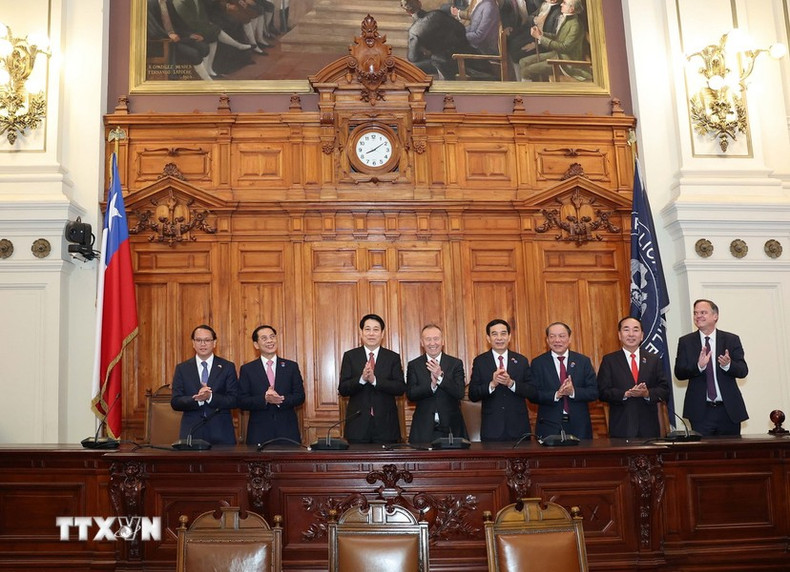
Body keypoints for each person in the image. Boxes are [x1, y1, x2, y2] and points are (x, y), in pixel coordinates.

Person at [674, 299, 749, 436]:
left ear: (715, 316)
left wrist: (728, 365)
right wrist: (698, 366)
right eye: (695, 313)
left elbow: (743, 370)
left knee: (731, 454)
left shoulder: (731, 340)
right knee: (704, 455)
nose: (698, 316)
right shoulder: (686, 341)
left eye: (703, 312)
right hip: (700, 412)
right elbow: (679, 373)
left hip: (728, 410)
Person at [338, 314, 406, 444]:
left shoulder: (392, 357)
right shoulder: (350, 356)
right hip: (357, 427)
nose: (371, 334)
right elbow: (343, 389)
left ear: (382, 333)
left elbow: (400, 388)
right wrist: (362, 379)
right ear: (361, 332)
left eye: (376, 330)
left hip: (386, 427)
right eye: (367, 329)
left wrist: (375, 381)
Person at [598, 317, 670, 439]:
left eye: (635, 330)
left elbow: (664, 390)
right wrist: (625, 394)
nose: (631, 334)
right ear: (619, 335)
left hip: (649, 427)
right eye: (626, 330)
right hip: (622, 427)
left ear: (642, 335)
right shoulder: (609, 360)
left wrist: (647, 393)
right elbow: (602, 392)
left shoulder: (653, 360)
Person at [468, 319, 536, 441]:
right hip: (491, 429)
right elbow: (473, 394)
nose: (499, 338)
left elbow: (532, 392)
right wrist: (492, 384)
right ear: (488, 338)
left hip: (519, 428)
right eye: (494, 334)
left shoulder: (521, 361)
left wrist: (511, 383)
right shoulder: (480, 362)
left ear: (509, 337)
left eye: (503, 333)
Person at [528, 322, 597, 439]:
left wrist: (573, 392)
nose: (557, 340)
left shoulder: (583, 361)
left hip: (579, 425)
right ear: (547, 340)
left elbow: (594, 392)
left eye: (561, 336)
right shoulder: (538, 363)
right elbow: (532, 394)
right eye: (552, 336)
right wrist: (556, 394)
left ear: (569, 339)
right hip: (549, 425)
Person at [170, 324, 238, 444]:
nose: (203, 344)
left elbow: (234, 399)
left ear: (214, 343)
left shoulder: (227, 367)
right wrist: (197, 399)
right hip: (192, 432)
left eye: (207, 340)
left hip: (221, 432)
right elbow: (176, 402)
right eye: (199, 340)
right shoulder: (182, 368)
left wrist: (210, 397)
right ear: (193, 343)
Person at [238, 324, 305, 445]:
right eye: (264, 338)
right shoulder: (247, 369)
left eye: (272, 337)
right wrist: (264, 399)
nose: (269, 341)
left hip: (287, 431)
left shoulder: (291, 366)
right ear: (256, 345)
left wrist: (280, 400)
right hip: (259, 432)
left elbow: (300, 396)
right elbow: (242, 401)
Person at [406, 324, 468, 444]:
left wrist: (440, 377)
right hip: (423, 429)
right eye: (428, 339)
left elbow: (459, 392)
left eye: (436, 338)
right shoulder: (414, 365)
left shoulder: (455, 363)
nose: (432, 343)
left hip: (451, 428)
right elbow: (411, 395)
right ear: (422, 342)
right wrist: (432, 386)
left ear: (442, 341)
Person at [401, 0, 473, 80]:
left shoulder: (414, 31)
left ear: (407, 11)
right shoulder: (438, 14)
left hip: (444, 64)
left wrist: (427, 52)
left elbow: (413, 57)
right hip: (465, 58)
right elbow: (461, 29)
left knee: (410, 67)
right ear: (419, 4)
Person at [519, 0, 589, 82]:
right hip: (558, 55)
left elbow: (564, 47)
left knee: (525, 72)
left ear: (571, 9)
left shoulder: (575, 25)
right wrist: (542, 34)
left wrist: (540, 38)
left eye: (565, 3)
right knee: (523, 62)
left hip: (566, 63)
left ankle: (529, 93)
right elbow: (557, 37)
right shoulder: (567, 19)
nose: (561, 4)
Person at [147, 0, 213, 80]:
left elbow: (178, 23)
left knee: (204, 47)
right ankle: (208, 81)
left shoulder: (168, 3)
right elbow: (152, 29)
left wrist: (190, 34)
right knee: (194, 53)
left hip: (178, 37)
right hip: (164, 43)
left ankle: (200, 76)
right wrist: (168, 35)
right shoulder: (149, 4)